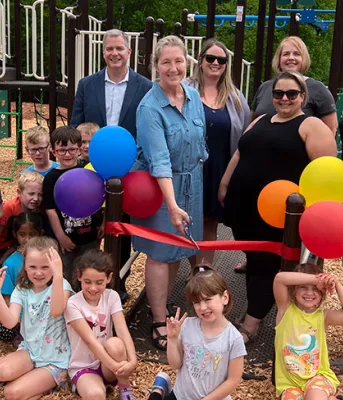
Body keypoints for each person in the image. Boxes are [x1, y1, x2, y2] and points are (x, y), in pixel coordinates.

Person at [218, 71, 337, 344]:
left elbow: (324, 173)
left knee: (266, 263)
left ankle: (253, 321)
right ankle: (255, 309)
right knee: (254, 258)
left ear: (302, 97)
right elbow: (239, 153)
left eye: (291, 94)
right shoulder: (260, 120)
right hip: (244, 207)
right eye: (278, 94)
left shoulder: (310, 125)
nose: (284, 98)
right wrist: (224, 184)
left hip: (278, 213)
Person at [132, 35, 208, 350]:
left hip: (193, 183)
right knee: (160, 253)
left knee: (180, 247)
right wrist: (173, 205)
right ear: (156, 66)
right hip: (162, 187)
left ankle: (165, 303)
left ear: (186, 62)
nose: (172, 68)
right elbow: (160, 162)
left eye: (178, 61)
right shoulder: (150, 107)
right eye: (166, 62)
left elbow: (201, 142)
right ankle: (159, 319)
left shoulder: (193, 96)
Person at [71, 29, 153, 299]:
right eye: (110, 49)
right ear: (103, 52)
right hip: (93, 169)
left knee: (122, 227)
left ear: (129, 52)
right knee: (92, 224)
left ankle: (117, 282)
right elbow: (76, 124)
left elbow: (148, 128)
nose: (115, 53)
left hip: (129, 168)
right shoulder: (87, 85)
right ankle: (88, 283)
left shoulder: (145, 86)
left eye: (120, 48)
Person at [185, 39, 250, 264]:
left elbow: (245, 136)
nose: (215, 63)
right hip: (190, 167)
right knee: (190, 222)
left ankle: (205, 272)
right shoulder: (184, 89)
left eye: (221, 60)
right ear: (201, 61)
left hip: (219, 168)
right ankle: (195, 272)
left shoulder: (234, 97)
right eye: (210, 58)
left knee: (210, 221)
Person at [149, 265, 246, 400]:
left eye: (207, 300)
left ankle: (159, 389)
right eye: (197, 302)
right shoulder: (188, 325)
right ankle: (158, 390)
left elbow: (233, 380)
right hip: (181, 395)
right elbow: (175, 364)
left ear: (225, 297)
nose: (203, 307)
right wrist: (172, 338)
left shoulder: (234, 338)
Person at [0, 236, 72, 400]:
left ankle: (45, 384)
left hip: (56, 360)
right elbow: (10, 322)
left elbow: (56, 310)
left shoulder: (62, 286)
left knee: (11, 393)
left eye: (45, 267)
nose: (38, 272)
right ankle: (33, 382)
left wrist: (58, 275)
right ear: (24, 266)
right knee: (3, 372)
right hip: (30, 351)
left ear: (55, 266)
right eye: (32, 266)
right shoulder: (22, 289)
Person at [64, 249, 137, 400]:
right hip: (84, 366)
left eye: (99, 282)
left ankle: (124, 387)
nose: (93, 288)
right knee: (96, 395)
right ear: (79, 276)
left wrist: (132, 360)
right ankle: (85, 384)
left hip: (107, 366)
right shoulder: (72, 304)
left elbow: (122, 331)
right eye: (87, 282)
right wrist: (116, 366)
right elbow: (90, 341)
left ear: (109, 278)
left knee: (116, 343)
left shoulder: (112, 296)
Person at [273, 264, 343, 400]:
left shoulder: (324, 316)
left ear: (323, 292)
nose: (309, 293)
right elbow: (279, 279)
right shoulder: (285, 310)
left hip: (319, 377)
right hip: (290, 385)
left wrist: (335, 282)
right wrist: (317, 280)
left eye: (316, 289)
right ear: (293, 290)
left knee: (315, 397)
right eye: (303, 287)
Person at [43, 126, 99, 284]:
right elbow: (50, 210)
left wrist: (103, 223)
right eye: (62, 150)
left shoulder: (88, 172)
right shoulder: (51, 178)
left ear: (80, 149)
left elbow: (99, 199)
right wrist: (60, 236)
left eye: (72, 149)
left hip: (88, 236)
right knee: (66, 276)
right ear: (53, 151)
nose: (67, 154)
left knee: (90, 272)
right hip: (65, 238)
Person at [252, 36, 338, 135]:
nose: (291, 58)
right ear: (279, 59)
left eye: (297, 54)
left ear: (304, 59)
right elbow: (252, 122)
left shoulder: (318, 89)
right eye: (286, 54)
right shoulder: (265, 87)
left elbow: (330, 130)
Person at [0, 212, 45, 342]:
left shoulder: (46, 258)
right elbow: (7, 297)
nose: (27, 240)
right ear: (15, 235)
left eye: (32, 234)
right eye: (22, 234)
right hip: (20, 315)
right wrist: (19, 321)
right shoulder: (10, 264)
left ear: (40, 234)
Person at [0, 171, 43, 258]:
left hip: (25, 244)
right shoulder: (9, 208)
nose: (36, 198)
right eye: (31, 194)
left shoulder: (40, 208)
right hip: (4, 247)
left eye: (40, 195)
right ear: (19, 192)